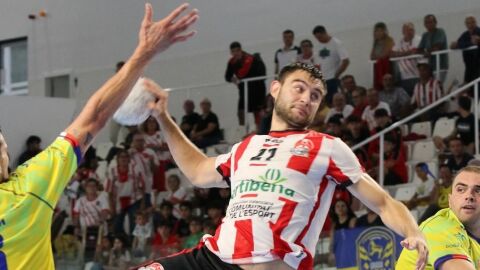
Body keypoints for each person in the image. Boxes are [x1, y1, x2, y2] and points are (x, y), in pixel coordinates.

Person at [133, 62, 428, 270]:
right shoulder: (246, 147)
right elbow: (198, 170)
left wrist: (412, 231)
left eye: (315, 96)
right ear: (276, 88)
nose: (306, 99)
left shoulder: (327, 147)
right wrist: (162, 118)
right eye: (298, 89)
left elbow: (384, 203)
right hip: (213, 259)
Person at [0, 4, 198, 269]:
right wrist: (144, 52)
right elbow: (93, 119)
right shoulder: (30, 186)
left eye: (1, 144)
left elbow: (92, 119)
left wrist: (144, 53)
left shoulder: (32, 183)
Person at [397, 161, 480, 269]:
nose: (469, 196)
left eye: (478, 190)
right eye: (461, 189)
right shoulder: (439, 227)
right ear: (450, 201)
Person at [225, 41, 267, 126]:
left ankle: (261, 131)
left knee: (257, 112)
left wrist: (238, 80)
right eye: (233, 51)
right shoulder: (231, 62)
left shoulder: (250, 59)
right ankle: (243, 131)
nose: (235, 53)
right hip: (244, 89)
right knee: (241, 111)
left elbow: (244, 73)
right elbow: (227, 76)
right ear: (231, 52)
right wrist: (235, 80)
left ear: (241, 50)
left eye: (237, 51)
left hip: (257, 88)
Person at [312, 25, 350, 106]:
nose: (319, 39)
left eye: (320, 37)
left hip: (334, 79)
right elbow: (317, 63)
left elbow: (346, 61)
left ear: (325, 33)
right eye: (317, 38)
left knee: (337, 103)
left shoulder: (336, 43)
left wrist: (337, 75)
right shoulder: (317, 46)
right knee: (327, 104)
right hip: (322, 80)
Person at [390, 22, 422, 96]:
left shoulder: (418, 39)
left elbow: (415, 51)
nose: (410, 32)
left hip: (417, 75)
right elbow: (392, 54)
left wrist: (400, 54)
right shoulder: (400, 42)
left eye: (412, 30)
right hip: (404, 77)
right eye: (408, 30)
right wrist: (405, 53)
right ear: (403, 32)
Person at [417, 14, 449, 83]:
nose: (429, 24)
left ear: (435, 22)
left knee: (438, 86)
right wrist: (425, 52)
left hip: (441, 66)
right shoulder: (425, 35)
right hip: (430, 67)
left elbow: (437, 46)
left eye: (431, 22)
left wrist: (427, 51)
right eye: (427, 22)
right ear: (424, 24)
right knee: (431, 88)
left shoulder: (440, 31)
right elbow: (419, 49)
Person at [370, 22, 395, 90]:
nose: (378, 33)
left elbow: (386, 54)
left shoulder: (389, 40)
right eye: (377, 31)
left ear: (384, 31)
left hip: (388, 67)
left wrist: (378, 56)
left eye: (380, 30)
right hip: (378, 67)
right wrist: (379, 56)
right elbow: (371, 56)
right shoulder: (376, 42)